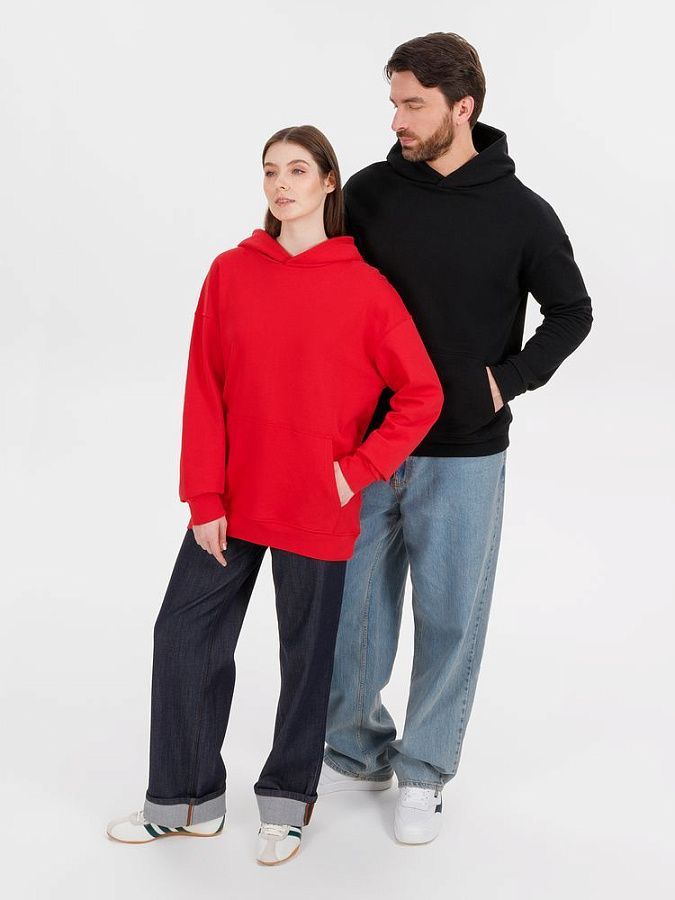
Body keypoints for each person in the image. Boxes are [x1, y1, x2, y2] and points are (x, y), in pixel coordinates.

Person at [105, 125, 444, 865]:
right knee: (183, 635)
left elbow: (422, 393)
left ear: (328, 182)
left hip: (317, 504)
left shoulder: (365, 289)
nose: (281, 184)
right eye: (269, 171)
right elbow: (204, 386)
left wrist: (356, 470)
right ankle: (185, 801)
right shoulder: (231, 272)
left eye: (296, 170)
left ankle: (287, 805)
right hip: (232, 499)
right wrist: (203, 497)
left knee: (306, 658)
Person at [319, 32, 594, 845]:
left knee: (448, 622)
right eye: (393, 103)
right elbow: (321, 289)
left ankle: (423, 772)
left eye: (413, 104)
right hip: (367, 447)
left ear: (461, 107)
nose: (396, 120)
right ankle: (356, 750)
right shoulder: (368, 194)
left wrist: (503, 381)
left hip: (466, 453)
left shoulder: (521, 212)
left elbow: (572, 312)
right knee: (349, 615)